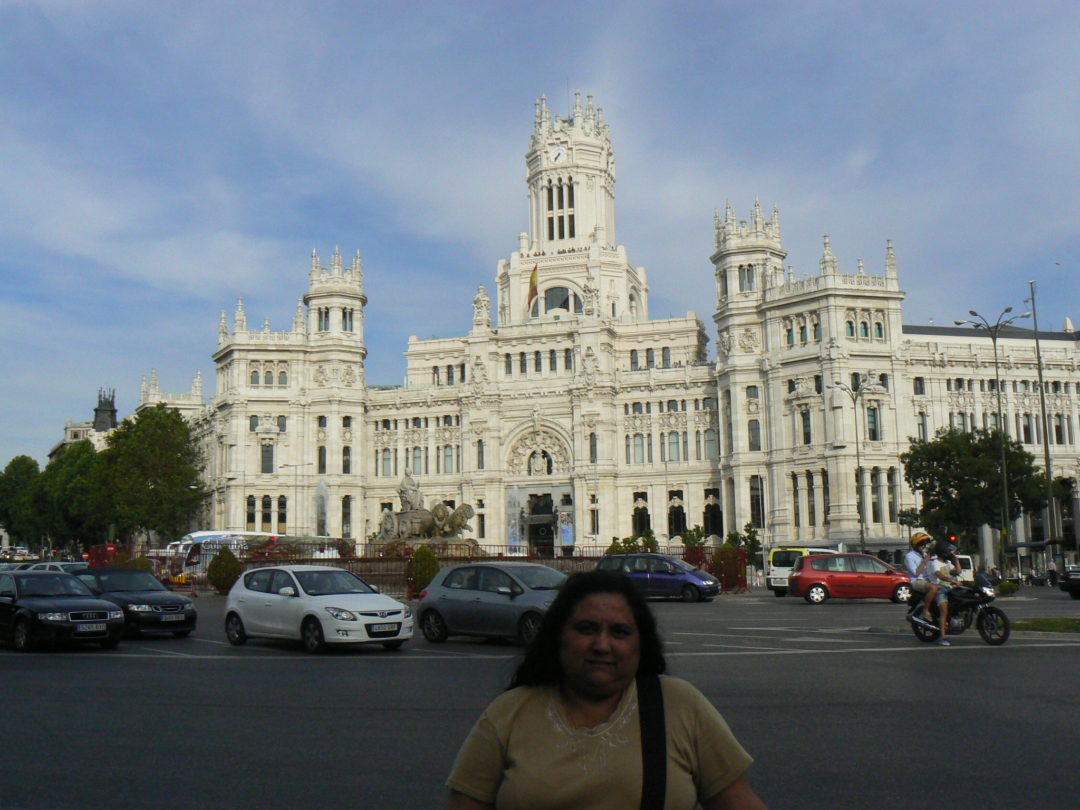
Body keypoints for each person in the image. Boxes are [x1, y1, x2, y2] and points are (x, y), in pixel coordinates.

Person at [446, 570, 767, 809]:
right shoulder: (509, 712)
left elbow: (737, 801)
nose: (602, 645)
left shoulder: (679, 705)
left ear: (641, 645)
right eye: (586, 629)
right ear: (559, 636)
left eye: (620, 632)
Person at [929, 540, 962, 646]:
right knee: (944, 610)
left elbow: (958, 572)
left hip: (950, 588)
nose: (950, 553)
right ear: (943, 552)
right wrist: (951, 580)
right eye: (949, 552)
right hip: (940, 589)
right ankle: (943, 637)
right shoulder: (935, 563)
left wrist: (956, 560)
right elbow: (940, 575)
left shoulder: (948, 563)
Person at [903, 532, 937, 627]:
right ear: (916, 545)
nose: (923, 546)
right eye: (921, 544)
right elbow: (916, 573)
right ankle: (925, 611)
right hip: (917, 581)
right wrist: (925, 561)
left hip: (928, 580)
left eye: (925, 544)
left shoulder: (925, 554)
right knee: (933, 588)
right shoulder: (909, 556)